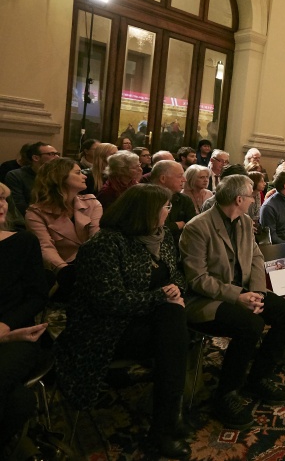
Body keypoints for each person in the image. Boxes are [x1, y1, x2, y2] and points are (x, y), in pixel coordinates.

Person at [54, 184, 191, 458]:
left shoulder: (160, 237)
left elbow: (175, 274)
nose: (169, 212)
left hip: (148, 320)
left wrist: (175, 290)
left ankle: (166, 418)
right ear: (146, 212)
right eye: (165, 207)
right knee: (173, 333)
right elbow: (108, 300)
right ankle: (168, 419)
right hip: (105, 330)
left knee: (172, 324)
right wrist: (161, 297)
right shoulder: (105, 244)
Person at [181, 175, 285, 429]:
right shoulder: (197, 227)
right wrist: (238, 296)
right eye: (251, 197)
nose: (254, 201)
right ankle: (226, 394)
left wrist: (257, 292)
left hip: (246, 292)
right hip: (208, 300)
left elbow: (256, 257)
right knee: (251, 325)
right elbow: (197, 279)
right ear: (238, 199)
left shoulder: (245, 221)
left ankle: (257, 378)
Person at [0, 181, 49, 454]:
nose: (1, 205)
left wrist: (5, 327)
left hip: (18, 332)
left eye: (3, 199)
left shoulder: (22, 242)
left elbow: (36, 296)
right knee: (19, 401)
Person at [25, 158, 102, 297]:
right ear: (60, 177)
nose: (84, 176)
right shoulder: (36, 213)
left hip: (93, 265)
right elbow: (45, 246)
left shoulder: (92, 203)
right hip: (61, 272)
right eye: (78, 173)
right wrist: (63, 270)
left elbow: (97, 237)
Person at [150, 160, 196, 249]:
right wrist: (177, 225)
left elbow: (192, 228)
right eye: (180, 176)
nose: (184, 179)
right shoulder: (145, 198)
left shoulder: (184, 200)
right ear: (163, 178)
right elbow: (152, 229)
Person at [6, 142, 61, 213]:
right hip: (29, 218)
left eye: (57, 154)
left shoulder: (58, 175)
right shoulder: (15, 175)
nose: (57, 157)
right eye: (52, 154)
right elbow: (19, 205)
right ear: (36, 158)